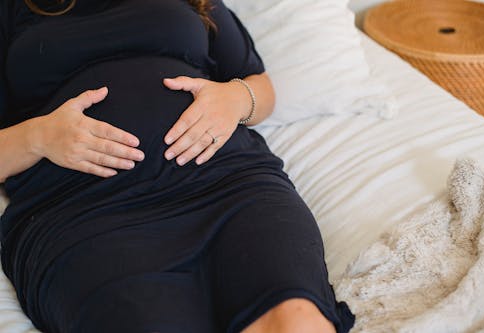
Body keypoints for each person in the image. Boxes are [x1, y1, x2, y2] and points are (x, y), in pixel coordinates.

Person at [0, 0, 355, 332]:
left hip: (227, 186)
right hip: (84, 212)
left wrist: (233, 99)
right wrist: (37, 136)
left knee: (295, 318)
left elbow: (258, 86)